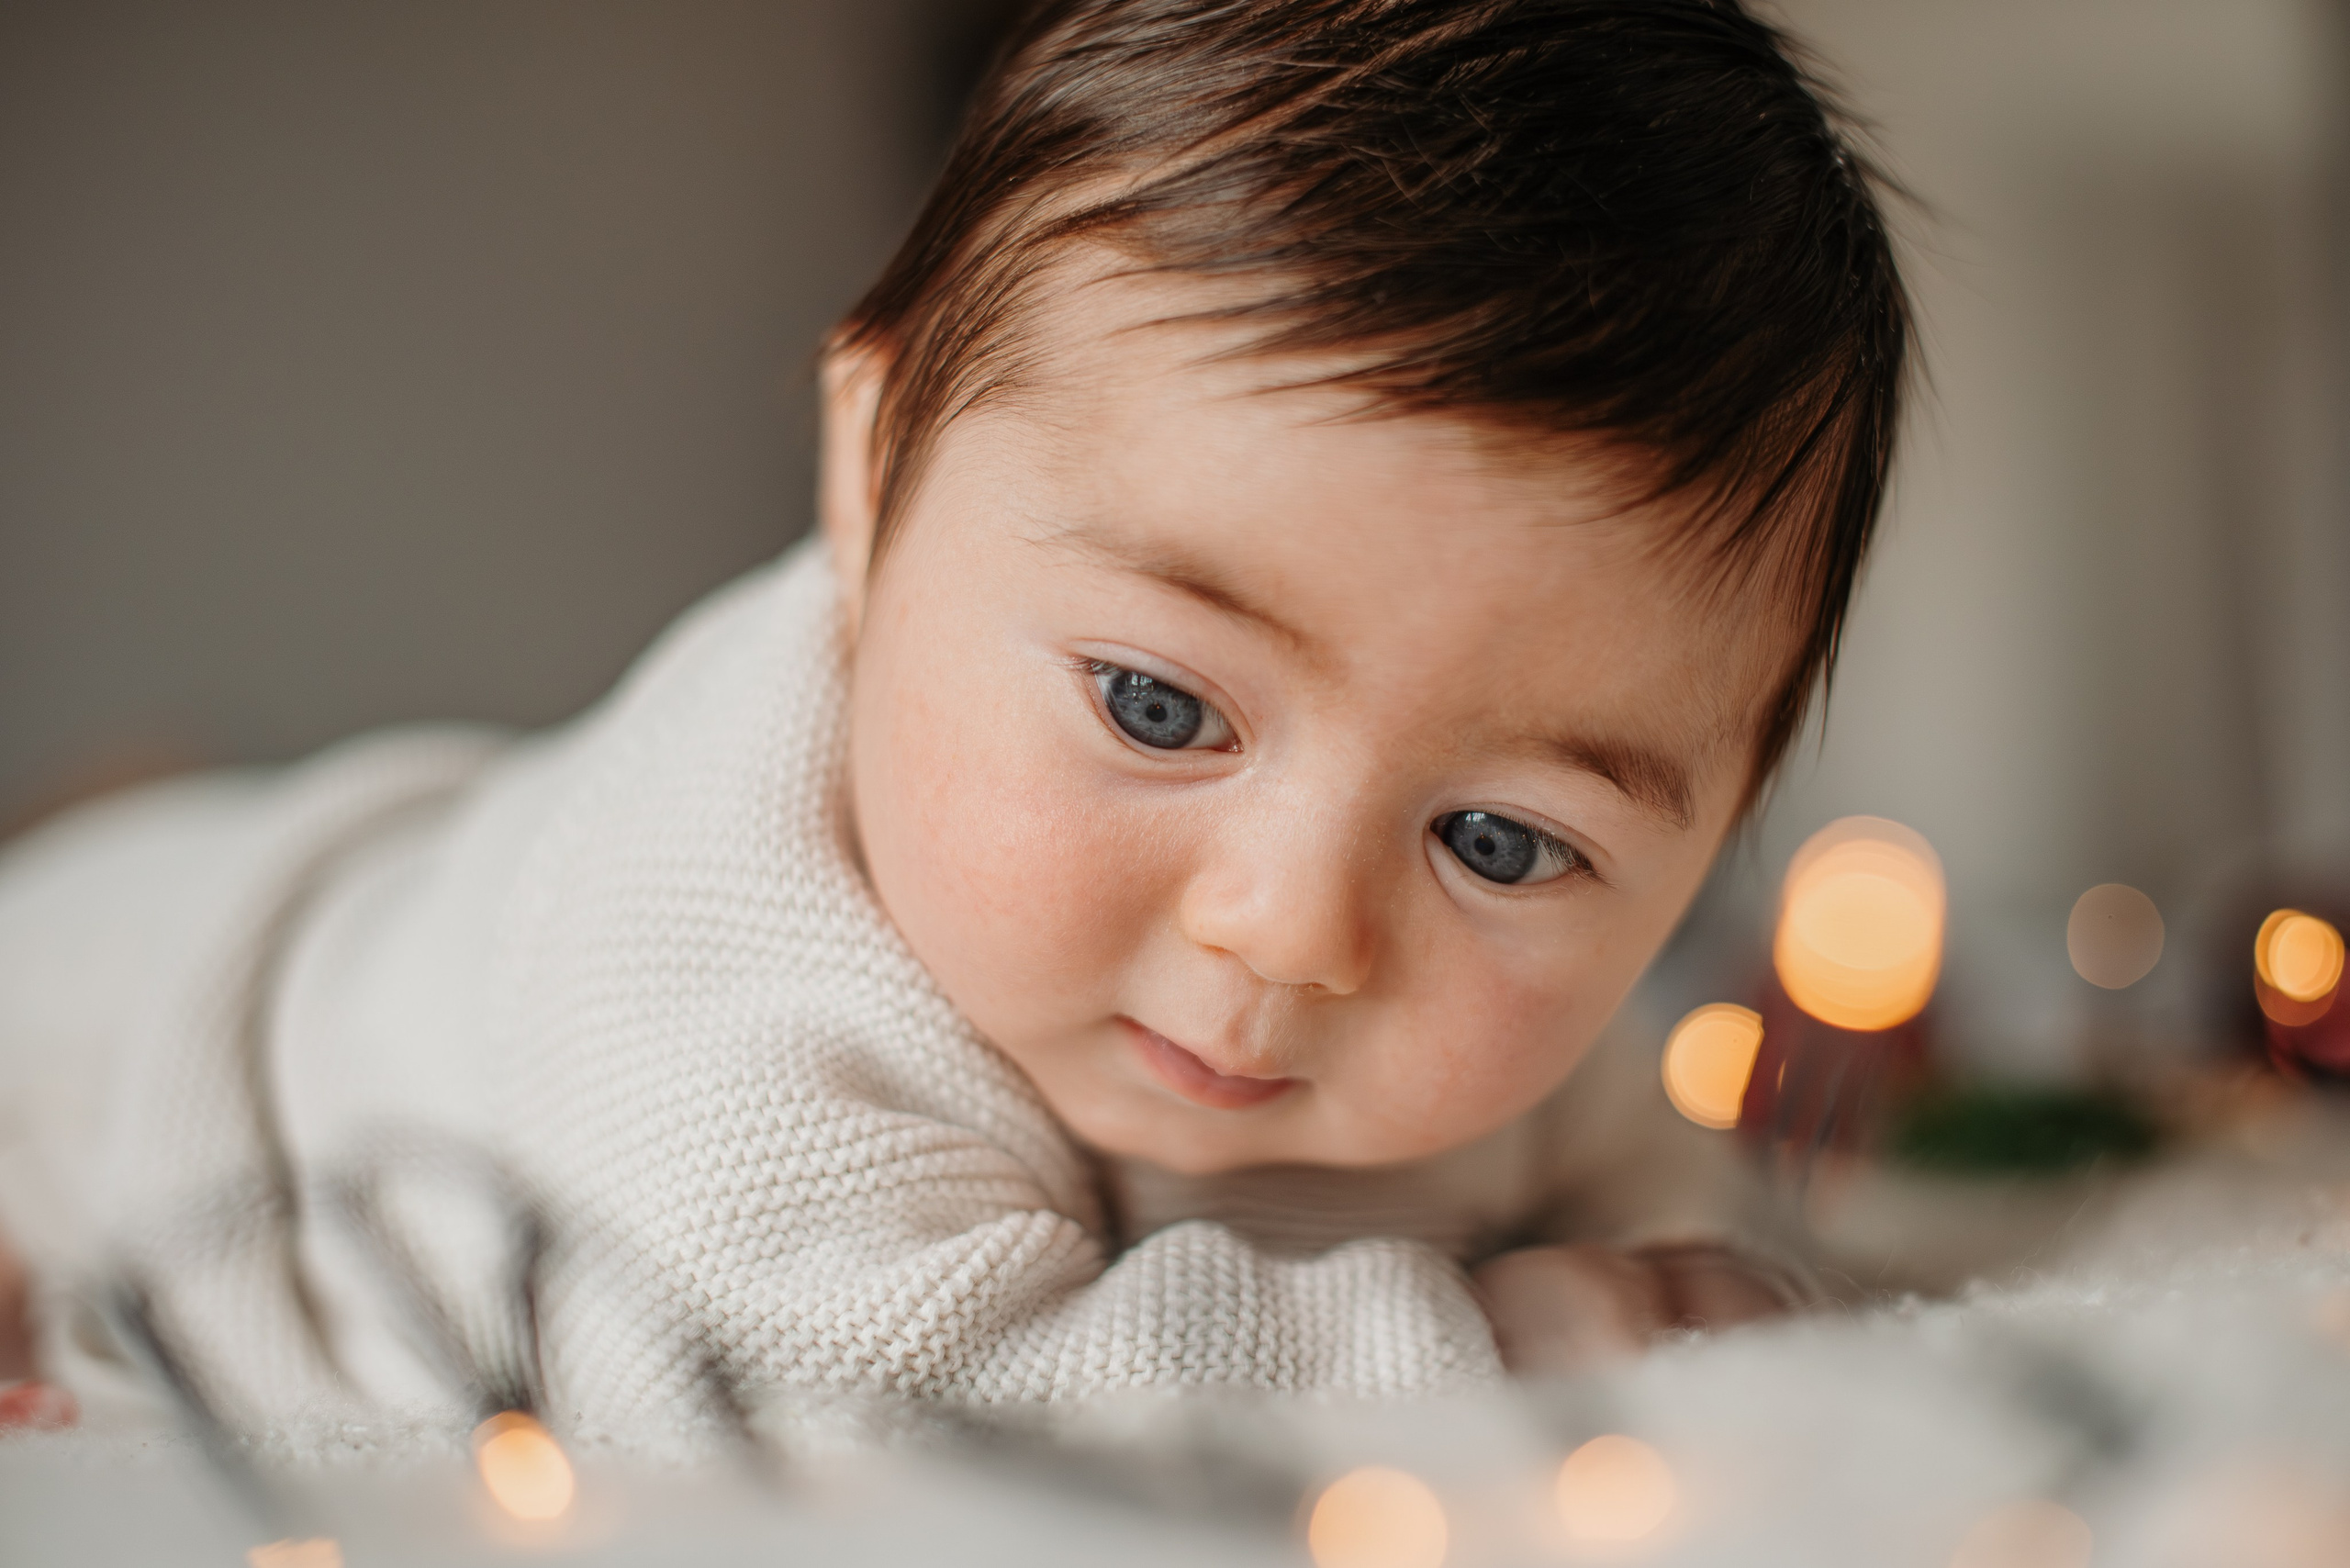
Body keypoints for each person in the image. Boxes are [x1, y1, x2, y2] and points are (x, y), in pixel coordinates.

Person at [0, 0, 1906, 1447]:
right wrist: (1518, 1342)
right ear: (869, 465)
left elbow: (1678, 1241)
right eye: (1158, 705)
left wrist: (1698, 1290)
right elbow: (880, 1423)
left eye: (1499, 840)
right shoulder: (708, 972)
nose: (1290, 928)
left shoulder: (1499, 1023)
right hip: (125, 1021)